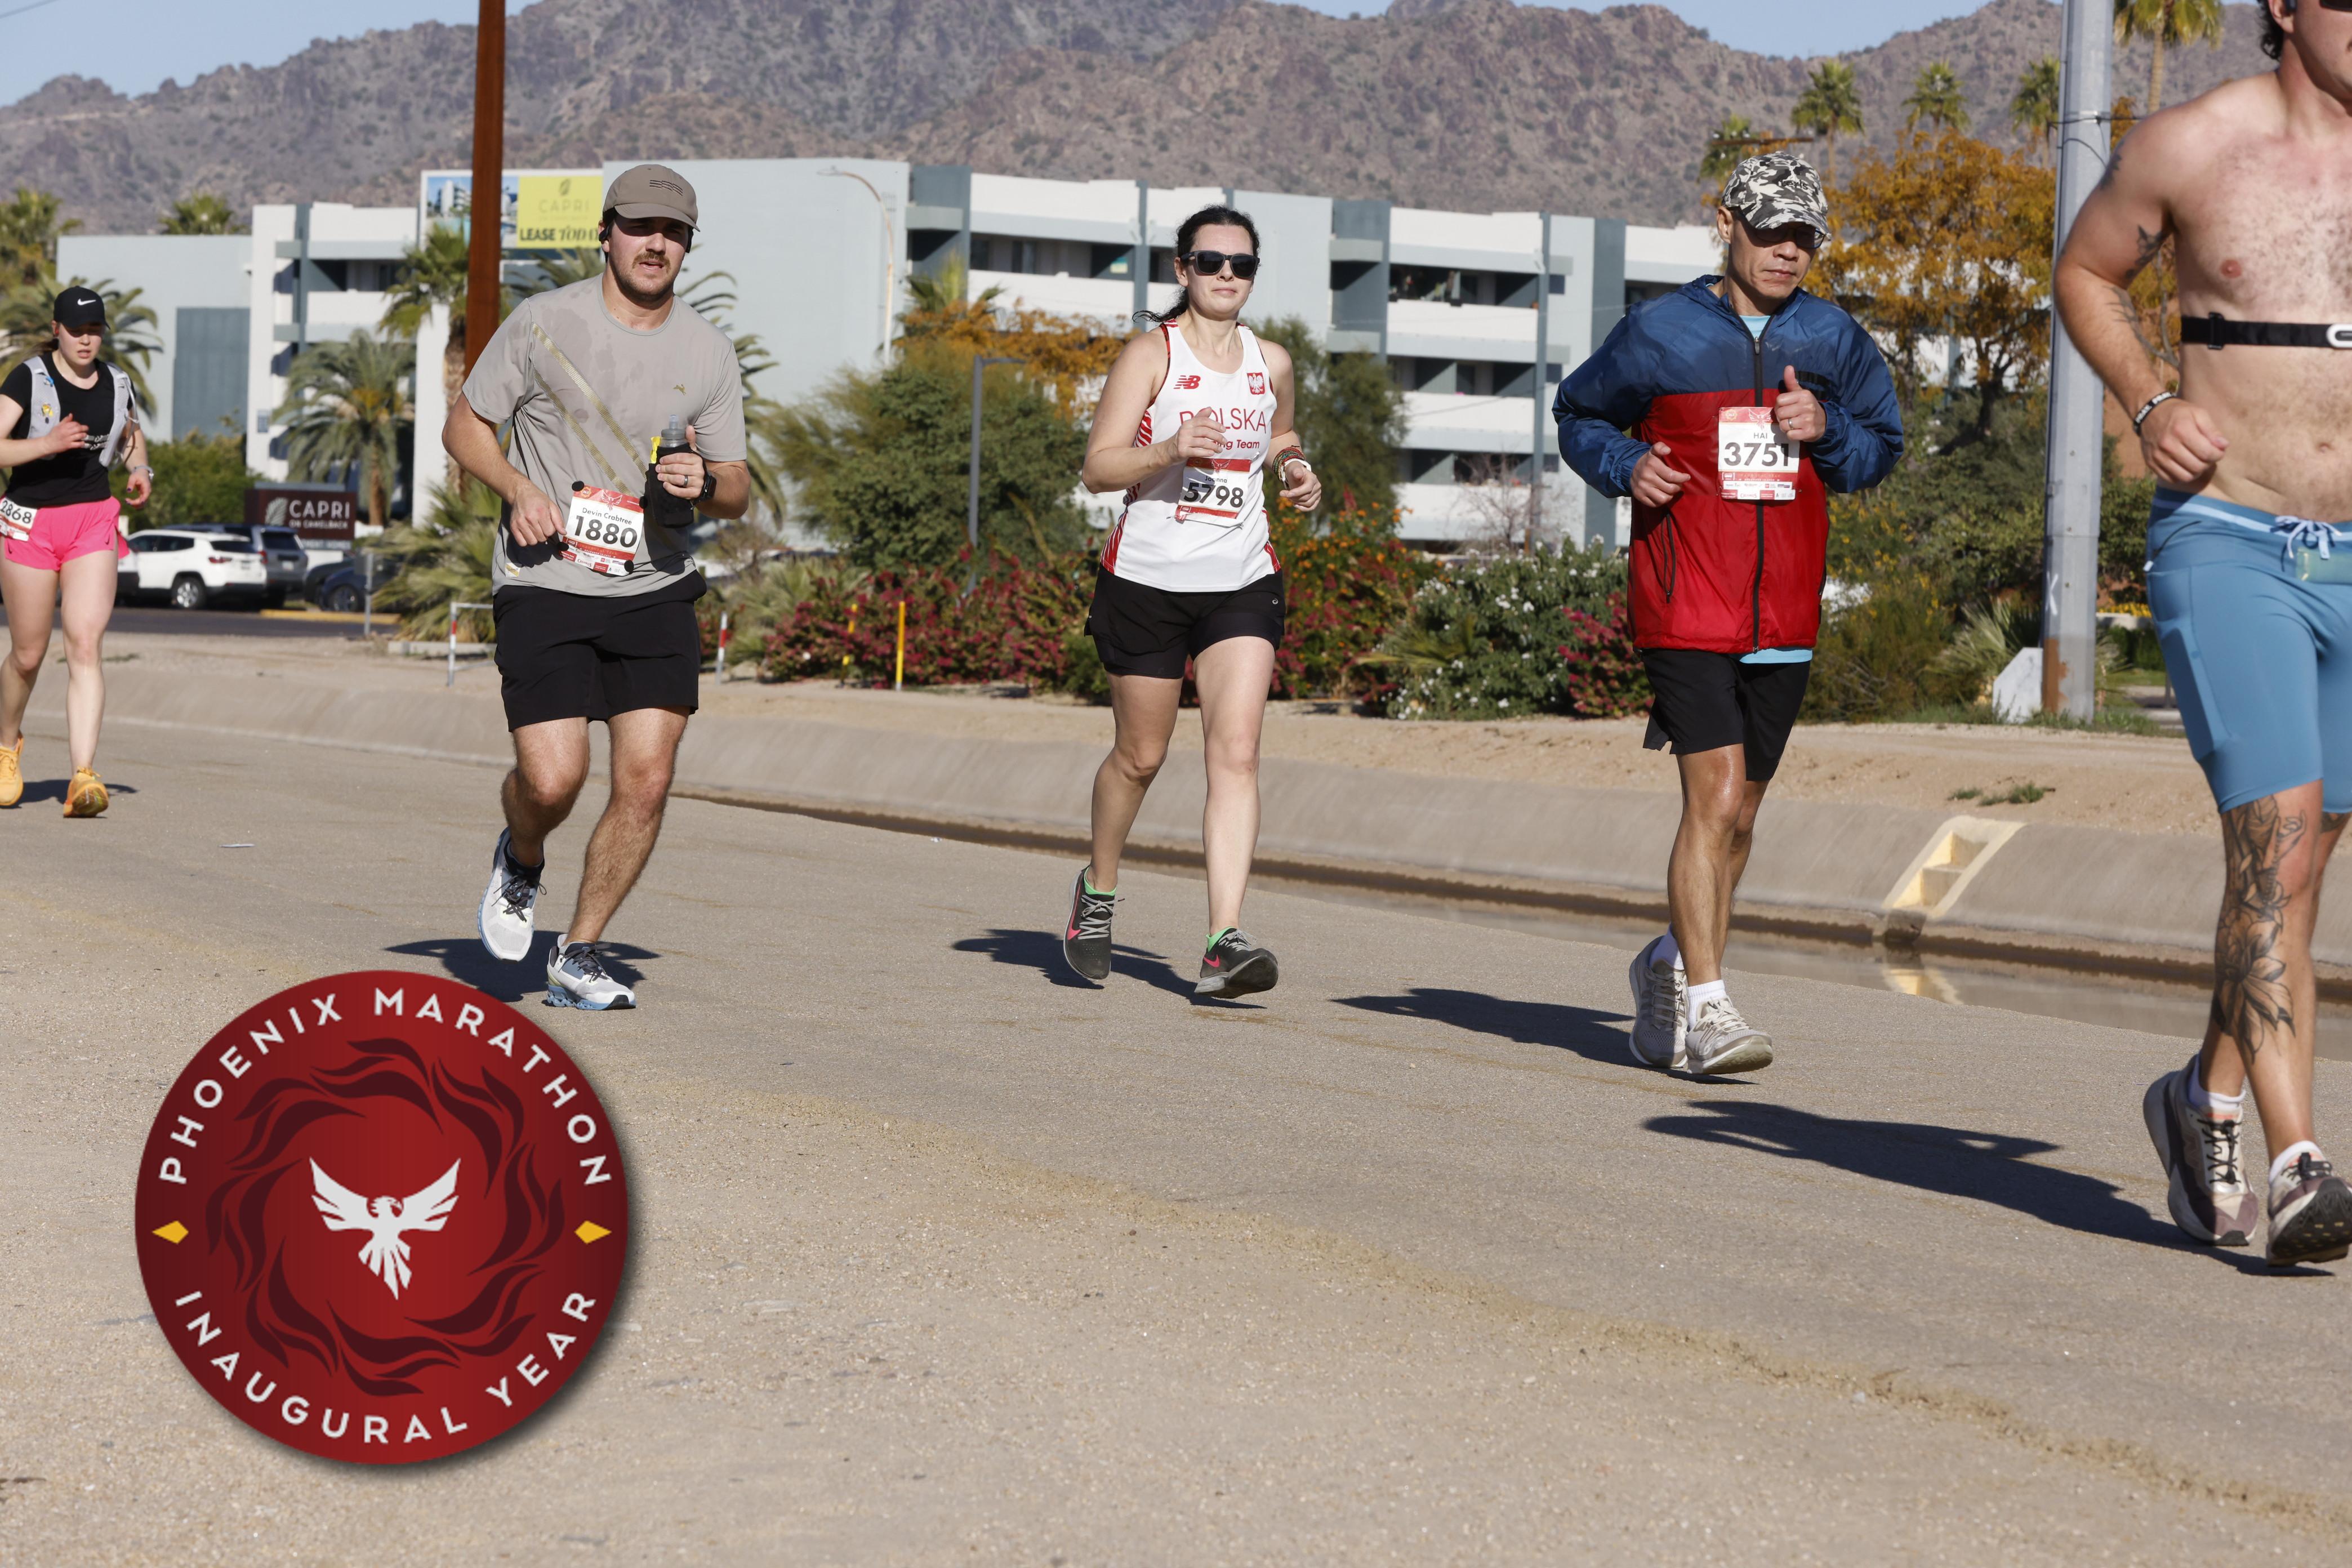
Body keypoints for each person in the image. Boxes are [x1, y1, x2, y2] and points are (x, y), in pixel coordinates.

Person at [2053, 0, 2352, 1269]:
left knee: (2305, 861)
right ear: (2285, 5)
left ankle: (2202, 1095)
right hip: (2232, 541)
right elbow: (2085, 274)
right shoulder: (2190, 144)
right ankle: (2297, 1162)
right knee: (2275, 844)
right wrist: (2147, 398)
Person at [1556, 153, 1903, 1075]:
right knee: (1712, 796)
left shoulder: (1831, 337)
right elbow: (1579, 413)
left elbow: (1882, 446)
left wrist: (1828, 431)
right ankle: (1710, 1011)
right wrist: (1625, 464)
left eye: (1804, 236)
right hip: (1684, 599)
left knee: (1742, 814)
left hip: (1784, 610)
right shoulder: (1660, 332)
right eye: (1771, 231)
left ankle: (1668, 963)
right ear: (1727, 225)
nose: (1788, 250)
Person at [444, 164, 750, 1010]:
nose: (656, 244)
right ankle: (521, 857)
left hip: (657, 582)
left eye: (674, 232)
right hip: (547, 577)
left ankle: (578, 951)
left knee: (645, 781)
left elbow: (737, 485)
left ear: (688, 247)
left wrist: (703, 482)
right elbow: (464, 426)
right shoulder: (545, 323)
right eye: (641, 227)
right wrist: (518, 490)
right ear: (606, 234)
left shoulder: (708, 351)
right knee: (553, 782)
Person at [1063, 204, 1321, 997]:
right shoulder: (1153, 355)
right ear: (1183, 270)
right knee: (1141, 757)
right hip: (1147, 581)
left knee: (1236, 753)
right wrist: (1170, 449)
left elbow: (1280, 435)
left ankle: (1222, 941)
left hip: (1241, 578)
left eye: (1241, 265)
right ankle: (1097, 891)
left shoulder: (1271, 361)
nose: (1226, 276)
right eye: (1210, 262)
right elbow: (1098, 468)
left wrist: (1295, 468)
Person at [0, 286, 150, 818]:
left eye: (95, 331)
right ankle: (6, 746)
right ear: (56, 330)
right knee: (28, 654)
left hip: (92, 518)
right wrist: (46, 444)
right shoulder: (28, 378)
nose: (86, 340)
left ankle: (83, 776)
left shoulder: (117, 383)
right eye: (76, 330)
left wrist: (140, 468)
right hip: (30, 522)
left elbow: (130, 435)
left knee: (85, 645)